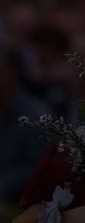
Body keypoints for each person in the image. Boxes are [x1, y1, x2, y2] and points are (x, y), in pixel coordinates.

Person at [0, 40, 47, 206]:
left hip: (18, 207)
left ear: (14, 73)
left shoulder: (35, 116)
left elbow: (39, 167)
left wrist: (5, 183)